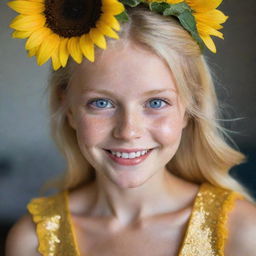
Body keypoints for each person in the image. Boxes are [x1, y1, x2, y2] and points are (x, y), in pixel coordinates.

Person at [5, 0, 256, 255]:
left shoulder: (243, 232)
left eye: (156, 102)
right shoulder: (32, 241)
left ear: (189, 109)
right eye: (101, 103)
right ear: (68, 108)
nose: (127, 131)